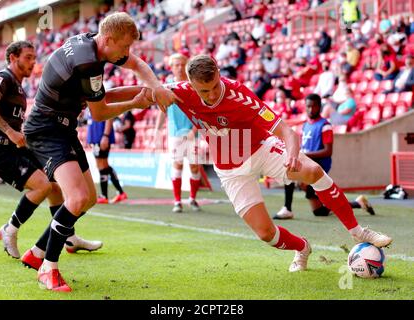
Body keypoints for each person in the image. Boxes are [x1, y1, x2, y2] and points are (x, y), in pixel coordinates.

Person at [121, 54, 392, 273]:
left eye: (216, 85)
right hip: (230, 170)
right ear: (192, 85)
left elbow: (287, 131)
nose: (213, 94)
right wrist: (94, 97)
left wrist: (292, 154)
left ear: (218, 73)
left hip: (261, 149)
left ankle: (358, 231)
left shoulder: (239, 94)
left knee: (313, 171)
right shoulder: (179, 92)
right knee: (265, 233)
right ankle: (302, 247)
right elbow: (139, 91)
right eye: (205, 90)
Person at [22, 12, 179, 292]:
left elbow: (136, 66)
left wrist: (154, 89)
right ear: (108, 39)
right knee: (78, 197)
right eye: (124, 47)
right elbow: (101, 110)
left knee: (89, 199)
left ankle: (36, 252)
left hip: (62, 128)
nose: (127, 53)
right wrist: (137, 102)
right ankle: (48, 267)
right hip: (46, 130)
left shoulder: (89, 44)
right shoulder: (87, 63)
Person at [0, 41, 102, 261]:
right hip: (1, 150)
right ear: (12, 58)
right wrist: (9, 132)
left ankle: (69, 236)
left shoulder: (19, 86)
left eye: (34, 57)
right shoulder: (4, 78)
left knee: (55, 186)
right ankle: (10, 228)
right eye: (27, 57)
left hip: (17, 147)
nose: (33, 61)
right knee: (43, 185)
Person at [274, 94, 376, 220]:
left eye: (314, 106)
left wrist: (303, 155)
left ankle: (287, 208)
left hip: (319, 166)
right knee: (319, 211)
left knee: (289, 170)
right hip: (307, 163)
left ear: (319, 107)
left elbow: (328, 152)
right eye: (308, 106)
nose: (311, 109)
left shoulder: (325, 125)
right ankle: (359, 203)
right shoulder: (305, 125)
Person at [154, 53, 201, 213]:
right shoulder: (166, 86)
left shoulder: (193, 85)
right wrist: (157, 130)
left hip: (193, 133)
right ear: (171, 67)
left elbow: (201, 112)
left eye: (182, 64)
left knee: (195, 167)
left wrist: (194, 130)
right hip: (175, 133)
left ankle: (193, 199)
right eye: (176, 65)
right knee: (177, 164)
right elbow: (162, 109)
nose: (180, 67)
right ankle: (177, 201)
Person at [86, 114, 128, 204]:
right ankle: (118, 192)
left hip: (101, 136)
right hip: (96, 137)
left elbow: (109, 116)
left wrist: (105, 135)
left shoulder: (101, 100)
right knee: (103, 165)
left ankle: (106, 195)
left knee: (102, 165)